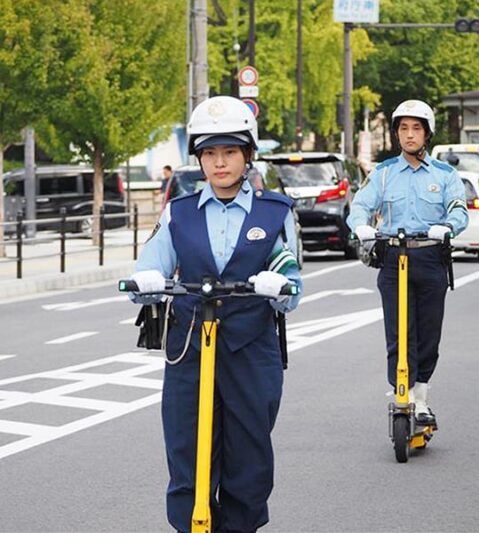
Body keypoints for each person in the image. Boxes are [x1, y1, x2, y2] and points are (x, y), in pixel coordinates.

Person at [128, 95, 302, 532]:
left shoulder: (275, 212)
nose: (219, 163)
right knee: (187, 450)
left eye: (229, 152)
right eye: (209, 153)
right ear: (199, 159)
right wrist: (145, 280)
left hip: (250, 349)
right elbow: (152, 263)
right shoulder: (179, 214)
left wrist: (279, 284)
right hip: (188, 348)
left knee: (249, 456)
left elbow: (290, 277)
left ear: (247, 154)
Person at [346, 99, 468, 427]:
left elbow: (459, 208)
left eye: (416, 128)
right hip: (392, 258)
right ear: (397, 133)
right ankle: (403, 392)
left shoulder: (445, 174)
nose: (409, 135)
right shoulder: (383, 173)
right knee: (399, 333)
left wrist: (449, 226)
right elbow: (360, 205)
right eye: (403, 128)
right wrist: (360, 225)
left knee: (428, 332)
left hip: (429, 257)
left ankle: (422, 398)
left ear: (427, 134)